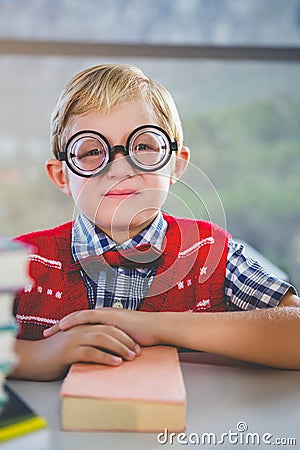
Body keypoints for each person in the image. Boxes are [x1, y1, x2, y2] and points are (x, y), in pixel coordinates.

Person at [11, 63, 300, 381]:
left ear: (176, 165)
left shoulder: (209, 253)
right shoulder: (23, 259)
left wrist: (155, 326)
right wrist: (34, 356)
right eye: (92, 150)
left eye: (144, 147)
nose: (120, 169)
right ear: (61, 175)